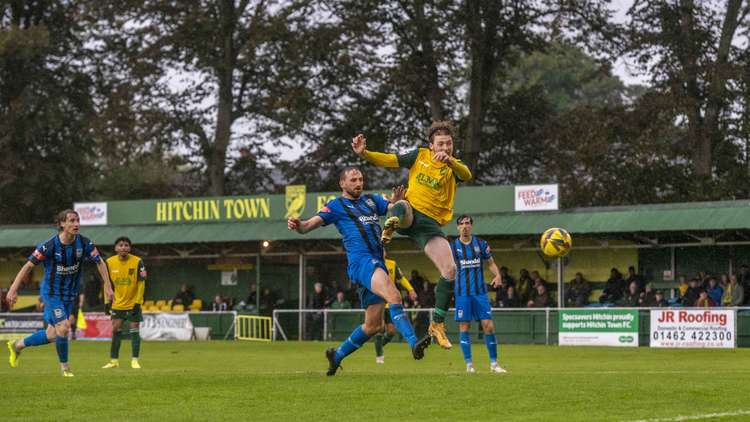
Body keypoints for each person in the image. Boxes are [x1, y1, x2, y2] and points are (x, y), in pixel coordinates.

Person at [288, 167, 430, 375]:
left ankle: (336, 356)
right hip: (362, 263)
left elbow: (395, 211)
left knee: (373, 326)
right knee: (395, 296)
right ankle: (413, 342)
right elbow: (308, 225)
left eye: (361, 179)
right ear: (342, 184)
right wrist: (299, 225)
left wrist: (398, 202)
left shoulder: (372, 201)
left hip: (376, 264)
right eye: (353, 180)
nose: (358, 183)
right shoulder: (336, 206)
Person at [352, 120, 472, 349]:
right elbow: (391, 159)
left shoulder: (454, 167)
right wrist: (364, 153)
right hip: (412, 214)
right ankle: (389, 225)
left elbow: (466, 174)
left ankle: (436, 325)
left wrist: (451, 162)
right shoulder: (419, 156)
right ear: (431, 145)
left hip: (431, 227)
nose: (445, 148)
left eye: (449, 144)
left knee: (450, 270)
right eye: (441, 144)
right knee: (403, 206)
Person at [6, 209, 114, 377]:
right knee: (64, 327)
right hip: (51, 293)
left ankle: (17, 345)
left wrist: (108, 286)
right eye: (71, 220)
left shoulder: (85, 243)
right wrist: (13, 289)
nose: (76, 224)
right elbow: (28, 266)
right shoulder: (49, 246)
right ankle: (65, 368)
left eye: (77, 220)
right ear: (62, 224)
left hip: (69, 293)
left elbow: (100, 262)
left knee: (52, 334)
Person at [450, 215, 506, 373]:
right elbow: (447, 267)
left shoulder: (481, 244)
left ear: (471, 226)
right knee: (464, 327)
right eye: (461, 224)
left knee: (488, 326)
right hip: (462, 294)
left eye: (467, 223)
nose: (465, 226)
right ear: (457, 227)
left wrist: (498, 275)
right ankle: (469, 365)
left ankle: (494, 364)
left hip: (480, 293)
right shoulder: (453, 246)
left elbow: (491, 263)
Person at [102, 236, 146, 369]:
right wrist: (106, 302)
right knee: (116, 330)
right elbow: (107, 284)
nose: (123, 247)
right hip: (117, 304)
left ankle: (135, 360)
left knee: (134, 331)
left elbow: (141, 283)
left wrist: (138, 302)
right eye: (120, 245)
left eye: (126, 245)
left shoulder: (138, 261)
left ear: (130, 248)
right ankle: (114, 361)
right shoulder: (109, 262)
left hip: (133, 303)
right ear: (115, 248)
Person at [373, 250, 418, 364]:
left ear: (385, 252)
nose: (381, 251)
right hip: (378, 301)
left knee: (391, 332)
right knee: (380, 328)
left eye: (382, 249)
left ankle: (379, 346)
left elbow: (401, 278)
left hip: (391, 302)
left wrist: (411, 289)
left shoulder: (392, 264)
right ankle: (379, 356)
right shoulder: (372, 264)